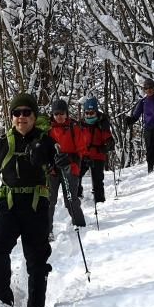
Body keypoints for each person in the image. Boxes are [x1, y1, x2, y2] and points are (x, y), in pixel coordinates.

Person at [0, 92, 63, 307]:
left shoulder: (46, 140)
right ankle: (2, 303)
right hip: (8, 206)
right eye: (16, 113)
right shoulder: (2, 144)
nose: (21, 117)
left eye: (26, 113)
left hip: (36, 206)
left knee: (37, 257)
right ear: (11, 117)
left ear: (34, 115)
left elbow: (58, 167)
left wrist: (57, 162)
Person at [47, 99, 86, 240]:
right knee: (49, 201)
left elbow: (81, 149)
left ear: (66, 113)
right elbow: (45, 151)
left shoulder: (74, 127)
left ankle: (79, 225)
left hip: (71, 168)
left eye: (62, 113)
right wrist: (50, 162)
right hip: (53, 169)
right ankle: (47, 231)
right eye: (56, 113)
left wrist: (70, 158)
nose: (59, 116)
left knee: (71, 198)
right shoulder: (49, 129)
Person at [77, 97, 115, 203]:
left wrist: (108, 144)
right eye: (87, 113)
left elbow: (108, 137)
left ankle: (99, 200)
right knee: (77, 175)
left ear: (96, 112)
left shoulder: (101, 124)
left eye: (92, 113)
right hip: (84, 155)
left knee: (97, 179)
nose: (89, 115)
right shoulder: (80, 125)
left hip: (98, 155)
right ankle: (78, 195)